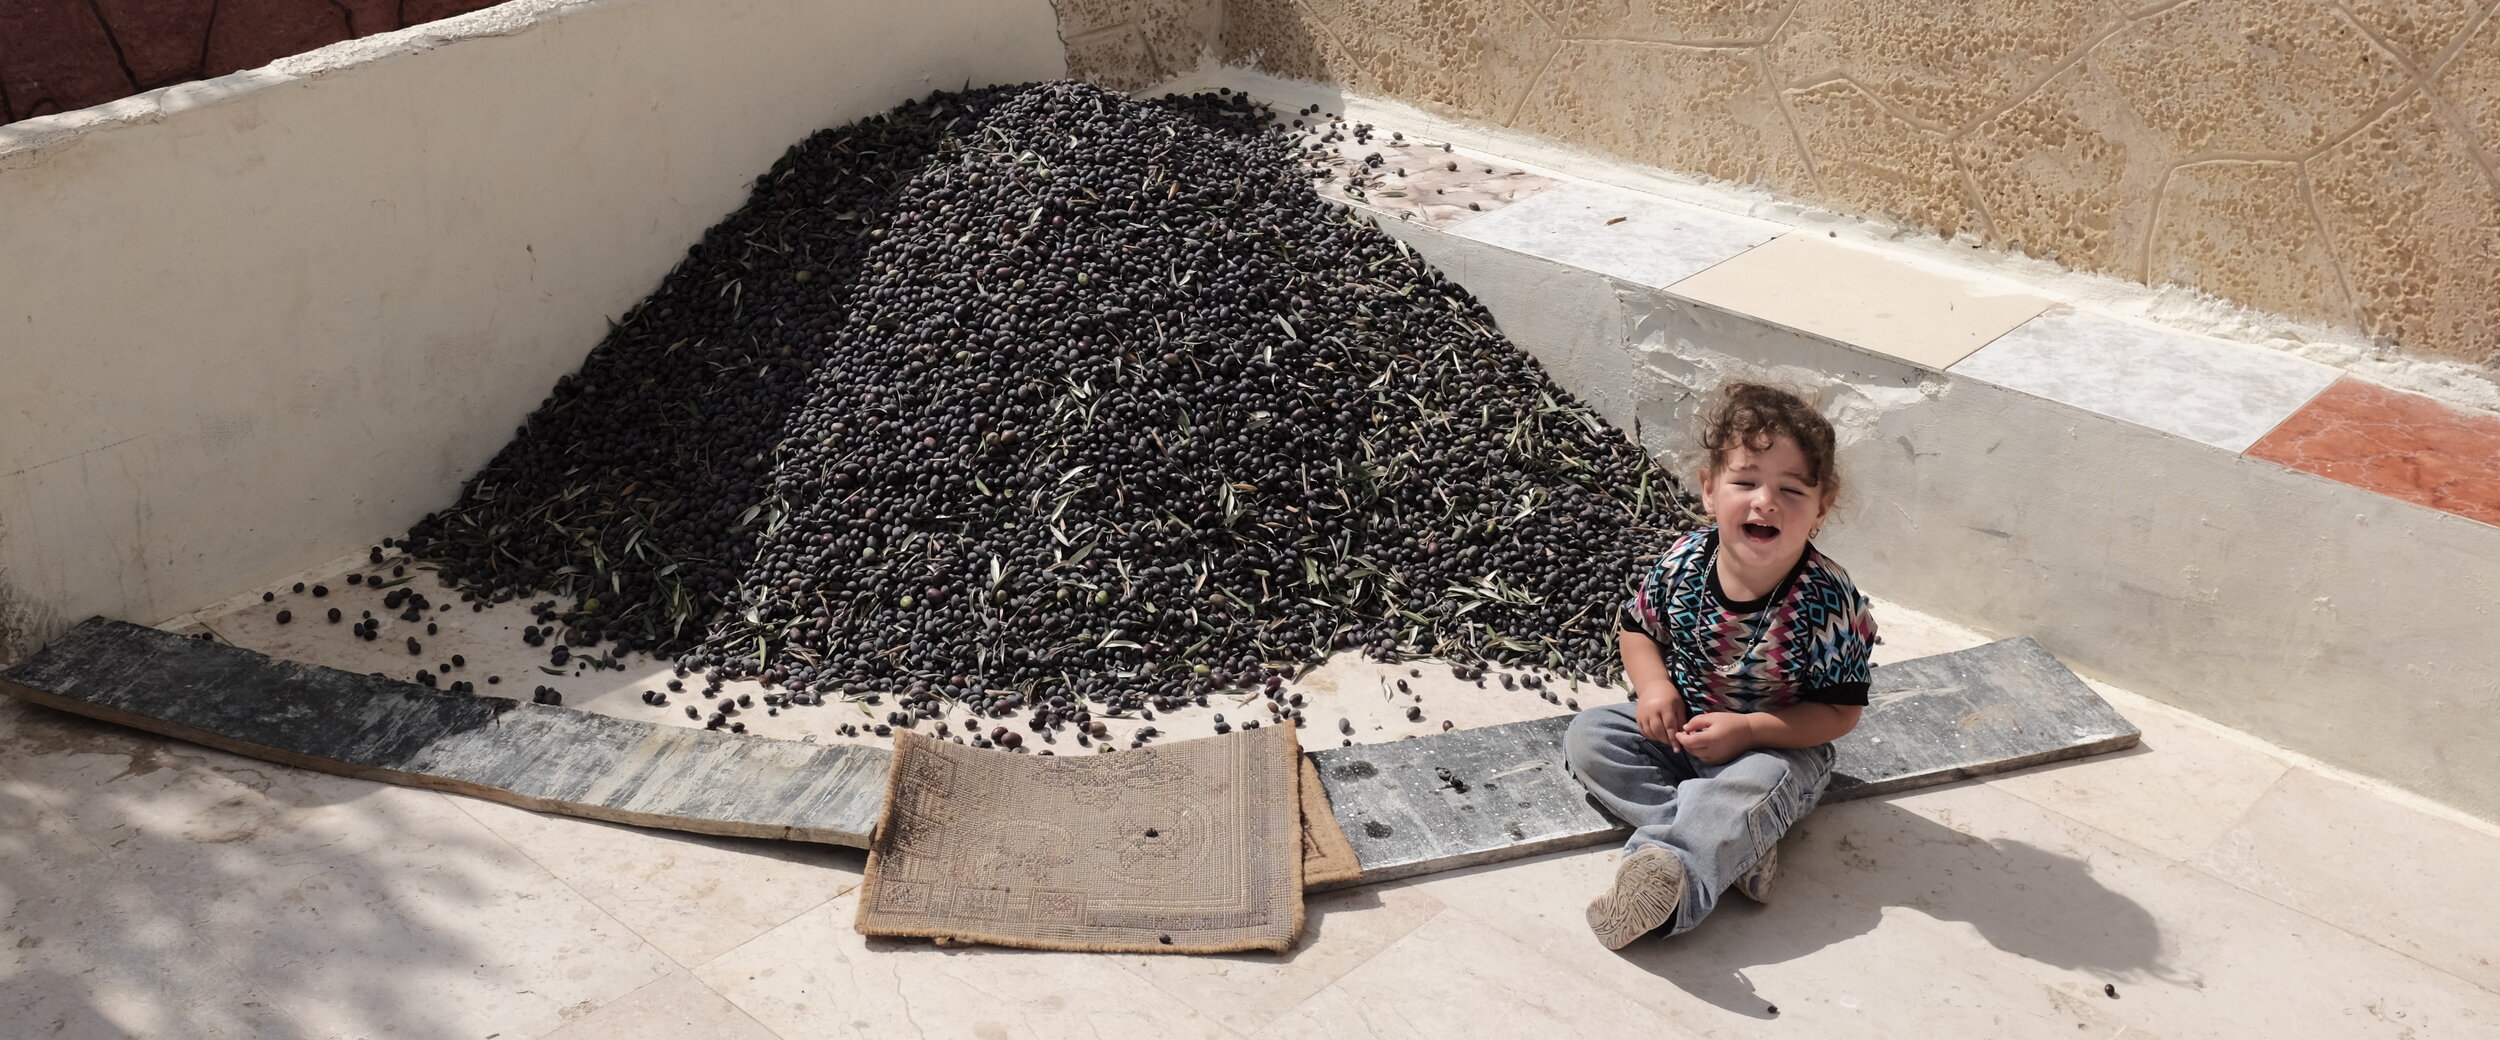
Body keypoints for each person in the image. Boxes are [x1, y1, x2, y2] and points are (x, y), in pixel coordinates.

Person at [1567, 381, 1877, 949]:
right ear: (1709, 490)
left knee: (1760, 780)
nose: (1765, 502)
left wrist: (1752, 730)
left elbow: (1839, 713)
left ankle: (1673, 879)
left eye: (1791, 489)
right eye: (1745, 482)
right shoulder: (1683, 563)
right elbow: (1636, 629)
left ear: (1821, 508)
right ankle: (1737, 842)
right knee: (1590, 737)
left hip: (1778, 748)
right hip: (1685, 733)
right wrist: (1655, 687)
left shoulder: (1827, 599)